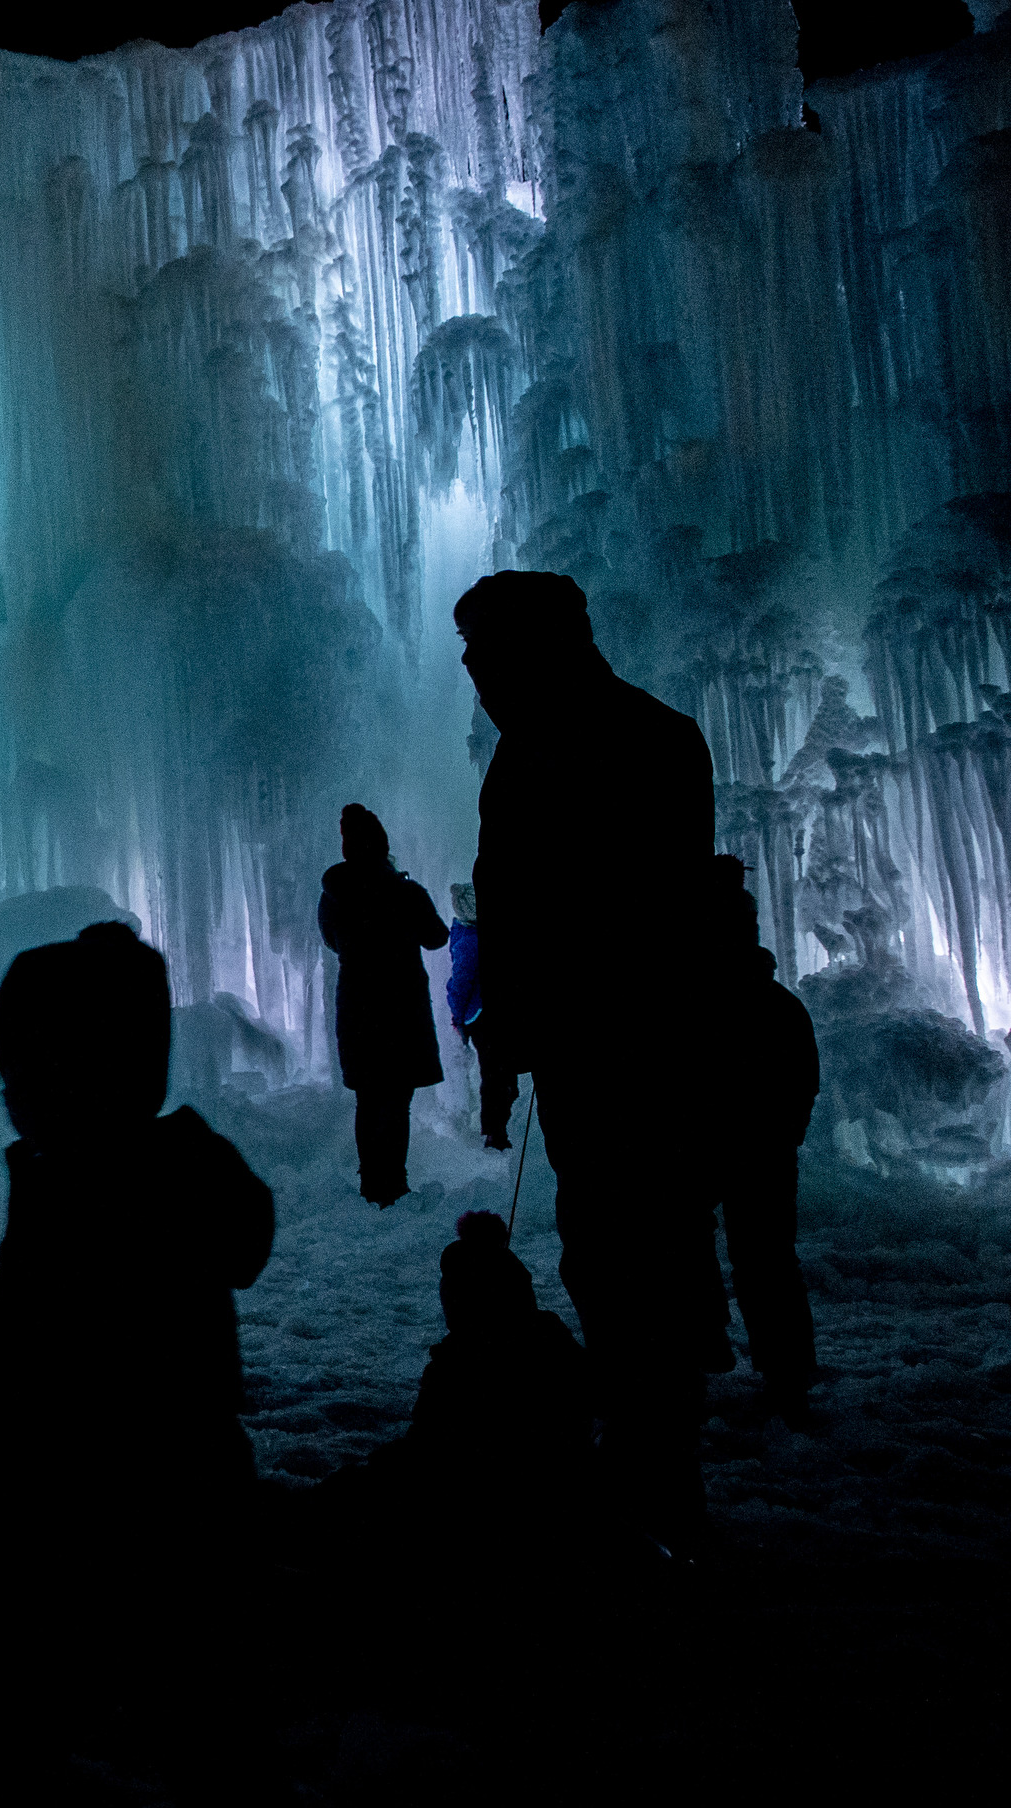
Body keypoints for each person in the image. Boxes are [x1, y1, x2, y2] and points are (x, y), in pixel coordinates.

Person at [0, 925, 275, 1786]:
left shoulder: (90, 1202)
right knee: (209, 1737)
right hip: (195, 1513)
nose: (11, 1096)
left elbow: (30, 1389)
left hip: (68, 1533)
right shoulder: (164, 1174)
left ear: (84, 1077)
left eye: (28, 1074)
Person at [455, 569, 715, 1552]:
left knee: (629, 1249)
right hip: (627, 1050)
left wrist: (517, 1028)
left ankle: (655, 1468)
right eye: (472, 659)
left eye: (487, 655)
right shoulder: (636, 738)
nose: (476, 676)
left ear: (543, 646)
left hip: (626, 1052)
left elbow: (560, 919)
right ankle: (654, 1453)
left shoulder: (563, 756)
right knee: (629, 1249)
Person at [315, 1211, 598, 1558]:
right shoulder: (550, 1335)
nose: (446, 1301)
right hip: (559, 1494)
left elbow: (429, 1449)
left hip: (479, 1508)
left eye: (451, 1293)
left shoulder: (461, 1361)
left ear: (466, 1299)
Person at [697, 855, 821, 1421]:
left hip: (708, 1146)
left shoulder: (694, 1010)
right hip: (764, 1150)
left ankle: (698, 1353)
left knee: (690, 1248)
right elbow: (802, 1081)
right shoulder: (781, 1007)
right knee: (767, 1260)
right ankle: (785, 1371)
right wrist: (785, 1134)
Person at [317, 804, 451, 1205]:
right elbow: (437, 936)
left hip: (357, 1005)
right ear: (382, 848)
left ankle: (371, 1179)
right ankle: (393, 1181)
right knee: (396, 1097)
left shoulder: (333, 897)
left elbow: (331, 941)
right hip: (401, 1006)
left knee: (369, 1097)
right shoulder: (404, 892)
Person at [447, 880, 518, 1150]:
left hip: (485, 1016)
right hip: (482, 1018)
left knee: (498, 1071)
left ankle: (502, 1121)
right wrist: (458, 1018)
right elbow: (460, 985)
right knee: (495, 1073)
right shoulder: (470, 942)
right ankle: (495, 1132)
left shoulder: (470, 936)